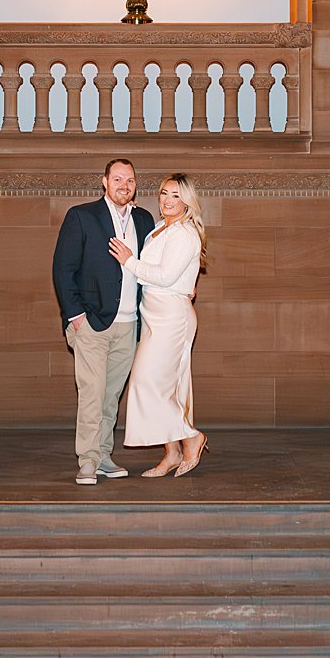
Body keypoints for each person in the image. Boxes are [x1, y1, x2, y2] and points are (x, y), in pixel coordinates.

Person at [51, 158, 157, 485]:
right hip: (92, 324)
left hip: (129, 327)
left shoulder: (143, 218)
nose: (124, 185)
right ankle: (87, 460)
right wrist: (76, 316)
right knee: (93, 394)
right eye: (118, 179)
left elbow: (152, 264)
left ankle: (103, 455)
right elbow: (62, 270)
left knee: (111, 396)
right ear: (104, 182)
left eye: (130, 180)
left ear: (136, 186)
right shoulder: (82, 216)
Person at [114, 173, 209, 477]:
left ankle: (191, 436)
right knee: (168, 387)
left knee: (146, 382)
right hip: (154, 314)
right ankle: (172, 453)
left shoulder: (185, 234)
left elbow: (166, 276)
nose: (167, 201)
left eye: (176, 196)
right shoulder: (159, 228)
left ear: (187, 201)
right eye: (164, 194)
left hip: (172, 316)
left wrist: (129, 261)